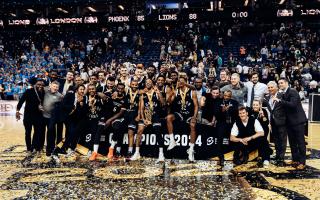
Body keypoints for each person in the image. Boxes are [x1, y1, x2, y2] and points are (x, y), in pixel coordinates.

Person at [89, 83, 127, 161]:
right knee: (99, 128)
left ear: (124, 89)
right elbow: (99, 93)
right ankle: (95, 152)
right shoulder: (110, 94)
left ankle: (111, 148)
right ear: (116, 88)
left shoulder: (125, 99)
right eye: (118, 88)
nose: (120, 90)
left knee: (117, 126)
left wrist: (110, 120)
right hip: (105, 116)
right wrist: (109, 93)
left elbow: (121, 113)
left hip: (115, 117)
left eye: (121, 89)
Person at [130, 79, 165, 162]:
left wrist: (159, 92)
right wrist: (144, 119)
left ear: (152, 83)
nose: (148, 83)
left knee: (158, 131)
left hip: (155, 115)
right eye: (147, 82)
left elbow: (163, 103)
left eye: (150, 82)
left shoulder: (156, 92)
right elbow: (141, 108)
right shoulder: (143, 94)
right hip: (145, 115)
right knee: (139, 131)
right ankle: (137, 153)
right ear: (145, 84)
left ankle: (161, 154)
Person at [277, 78, 307, 170]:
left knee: (300, 142)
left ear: (286, 83)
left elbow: (293, 105)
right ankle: (295, 159)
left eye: (281, 83)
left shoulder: (293, 91)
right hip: (289, 122)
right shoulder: (283, 93)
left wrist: (279, 101)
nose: (280, 84)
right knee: (293, 142)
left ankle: (302, 162)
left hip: (297, 121)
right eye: (279, 83)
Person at [166, 76, 198, 162]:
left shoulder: (192, 92)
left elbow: (196, 106)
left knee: (193, 125)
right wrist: (171, 94)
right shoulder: (176, 91)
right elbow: (169, 102)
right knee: (169, 118)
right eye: (179, 81)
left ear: (186, 82)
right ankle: (172, 141)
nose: (180, 83)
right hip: (180, 113)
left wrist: (195, 116)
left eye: (182, 81)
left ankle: (191, 150)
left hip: (189, 114)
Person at [16, 79, 45, 155]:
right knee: (28, 133)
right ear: (35, 84)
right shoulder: (28, 91)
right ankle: (29, 149)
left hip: (38, 116)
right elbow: (21, 101)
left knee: (37, 133)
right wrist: (17, 111)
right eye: (38, 84)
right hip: (28, 116)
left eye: (42, 85)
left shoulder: (43, 92)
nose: (40, 86)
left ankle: (34, 147)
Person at [263, 81, 287, 166]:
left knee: (282, 140)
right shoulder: (267, 97)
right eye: (268, 88)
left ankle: (281, 158)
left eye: (271, 87)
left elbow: (287, 107)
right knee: (276, 140)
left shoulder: (282, 96)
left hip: (282, 121)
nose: (270, 89)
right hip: (273, 122)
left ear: (276, 87)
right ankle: (277, 155)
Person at [215, 90, 239, 166]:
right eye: (225, 95)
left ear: (230, 96)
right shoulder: (218, 102)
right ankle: (221, 157)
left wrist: (229, 109)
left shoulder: (235, 102)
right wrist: (222, 110)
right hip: (221, 123)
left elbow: (236, 113)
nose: (226, 97)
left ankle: (235, 157)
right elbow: (216, 114)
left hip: (231, 124)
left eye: (228, 96)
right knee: (219, 140)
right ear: (223, 95)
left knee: (234, 139)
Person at [42, 81, 63, 156]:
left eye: (57, 87)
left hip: (52, 118)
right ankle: (39, 147)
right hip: (42, 116)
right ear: (50, 86)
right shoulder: (44, 91)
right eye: (54, 86)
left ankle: (50, 149)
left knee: (50, 133)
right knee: (40, 133)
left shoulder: (60, 96)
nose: (55, 88)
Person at [125, 80, 141, 157]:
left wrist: (138, 115)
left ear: (138, 85)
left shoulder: (140, 94)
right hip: (126, 114)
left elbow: (141, 106)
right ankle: (117, 149)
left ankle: (130, 151)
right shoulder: (126, 92)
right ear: (130, 85)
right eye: (133, 84)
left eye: (136, 85)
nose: (134, 86)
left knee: (130, 132)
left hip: (134, 115)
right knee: (119, 129)